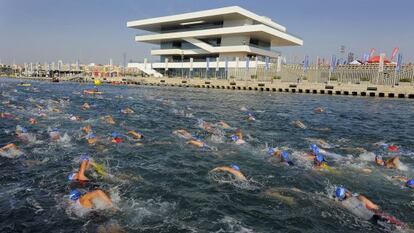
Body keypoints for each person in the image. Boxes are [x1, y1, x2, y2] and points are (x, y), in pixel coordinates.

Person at [334, 186, 406, 228]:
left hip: (369, 222)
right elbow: (374, 207)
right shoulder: (359, 197)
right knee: (404, 228)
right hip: (377, 216)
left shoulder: (342, 205)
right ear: (346, 193)